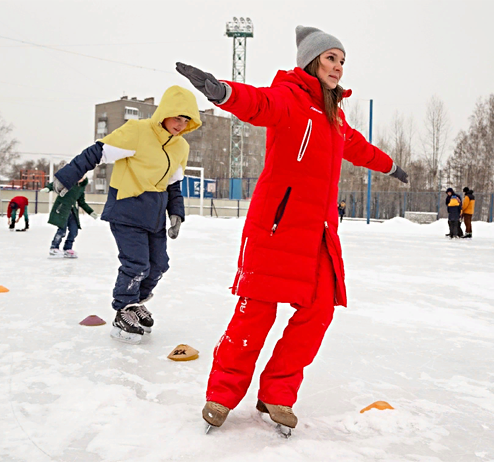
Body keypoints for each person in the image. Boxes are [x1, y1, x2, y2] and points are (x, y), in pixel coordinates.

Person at [176, 25, 409, 431]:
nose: (337, 67)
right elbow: (259, 104)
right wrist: (222, 92)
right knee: (256, 312)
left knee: (318, 312)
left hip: (317, 233)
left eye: (341, 60)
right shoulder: (290, 97)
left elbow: (357, 147)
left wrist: (390, 165)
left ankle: (276, 395)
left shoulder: (334, 117)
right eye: (330, 58)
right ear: (311, 61)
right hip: (276, 226)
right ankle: (221, 394)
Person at [51, 85, 201, 344]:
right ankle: (124, 309)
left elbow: (174, 184)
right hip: (127, 209)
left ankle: (136, 303)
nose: (181, 124)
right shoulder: (138, 131)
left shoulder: (181, 147)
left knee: (159, 265)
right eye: (177, 117)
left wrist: (176, 213)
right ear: (164, 112)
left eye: (186, 120)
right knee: (136, 264)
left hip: (155, 214)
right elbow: (97, 151)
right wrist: (68, 175)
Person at [41, 175, 97, 258]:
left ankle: (67, 248)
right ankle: (54, 247)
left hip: (72, 211)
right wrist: (48, 188)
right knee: (62, 230)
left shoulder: (81, 188)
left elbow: (82, 202)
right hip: (62, 209)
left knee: (74, 231)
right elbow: (56, 184)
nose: (80, 178)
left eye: (82, 177)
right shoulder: (68, 182)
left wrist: (91, 212)